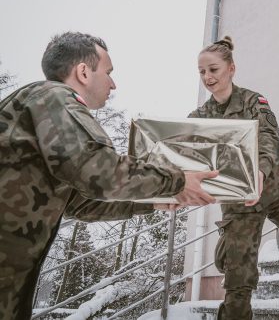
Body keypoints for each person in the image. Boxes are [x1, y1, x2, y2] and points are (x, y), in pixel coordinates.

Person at [0, 32, 217, 320]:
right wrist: (177, 180)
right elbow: (97, 171)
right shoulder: (54, 97)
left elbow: (80, 203)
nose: (113, 84)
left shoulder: (44, 107)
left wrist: (153, 202)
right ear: (83, 72)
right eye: (109, 72)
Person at [189, 37, 279, 320]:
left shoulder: (254, 101)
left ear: (231, 68)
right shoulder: (200, 117)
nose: (207, 77)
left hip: (278, 190)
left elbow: (269, 137)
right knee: (238, 279)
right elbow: (188, 153)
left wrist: (260, 169)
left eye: (213, 69)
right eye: (202, 71)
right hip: (239, 201)